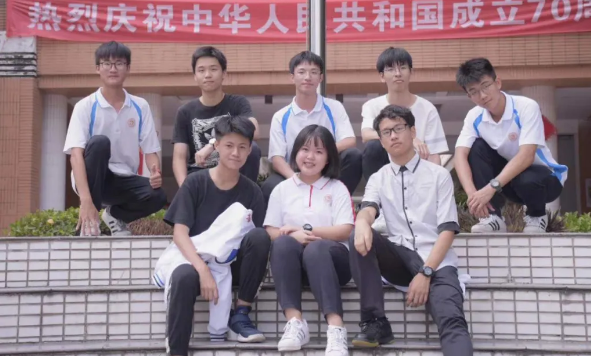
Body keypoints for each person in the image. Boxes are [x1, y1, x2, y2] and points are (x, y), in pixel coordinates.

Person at [349, 105, 472, 356]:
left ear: (413, 131)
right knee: (358, 235)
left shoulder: (438, 175)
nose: (393, 136)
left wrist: (426, 273)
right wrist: (361, 222)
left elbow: (447, 230)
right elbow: (369, 208)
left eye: (399, 128)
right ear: (381, 140)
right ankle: (375, 322)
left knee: (452, 322)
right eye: (386, 132)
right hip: (399, 258)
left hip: (436, 262)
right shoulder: (378, 178)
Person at [163, 116, 271, 356]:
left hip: (232, 263)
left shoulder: (252, 191)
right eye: (229, 145)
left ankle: (240, 315)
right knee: (183, 276)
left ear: (250, 150)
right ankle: (177, 349)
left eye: (242, 147)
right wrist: (203, 270)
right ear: (217, 145)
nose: (236, 153)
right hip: (196, 260)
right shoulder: (195, 183)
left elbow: (256, 243)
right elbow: (179, 233)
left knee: (260, 237)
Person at [264, 125, 354, 356]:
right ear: (296, 152)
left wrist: (308, 231)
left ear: (328, 158)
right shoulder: (282, 189)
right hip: (295, 267)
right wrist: (292, 235)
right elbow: (271, 229)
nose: (310, 156)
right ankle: (295, 323)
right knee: (282, 243)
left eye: (318, 151)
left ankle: (336, 329)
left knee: (315, 249)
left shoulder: (337, 188)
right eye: (305, 149)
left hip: (334, 265)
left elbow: (345, 229)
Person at [63, 41, 166, 236]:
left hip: (122, 180)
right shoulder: (85, 106)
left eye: (119, 63)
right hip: (91, 179)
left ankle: (116, 217)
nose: (113, 69)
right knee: (99, 143)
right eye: (106, 63)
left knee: (157, 195)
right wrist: (85, 200)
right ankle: (89, 225)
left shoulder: (140, 106)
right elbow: (76, 156)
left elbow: (150, 150)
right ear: (97, 68)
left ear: (128, 68)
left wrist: (155, 172)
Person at [454, 58, 567, 234]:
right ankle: (493, 218)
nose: (482, 95)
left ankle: (537, 216)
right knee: (476, 147)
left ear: (498, 82)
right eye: (474, 92)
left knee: (526, 178)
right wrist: (473, 195)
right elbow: (460, 155)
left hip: (545, 180)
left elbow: (527, 156)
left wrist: (490, 188)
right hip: (508, 183)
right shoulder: (474, 116)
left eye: (485, 86)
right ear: (469, 96)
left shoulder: (526, 107)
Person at [262, 51, 362, 204]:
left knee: (353, 156)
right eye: (301, 72)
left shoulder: (334, 107)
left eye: (313, 72)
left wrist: (320, 153)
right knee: (270, 186)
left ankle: (336, 204)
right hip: (295, 171)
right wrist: (295, 180)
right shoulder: (280, 116)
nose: (307, 77)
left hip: (326, 169)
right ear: (292, 77)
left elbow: (349, 140)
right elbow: (277, 158)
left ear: (320, 78)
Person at [172, 46, 261, 187]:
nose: (207, 75)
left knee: (253, 149)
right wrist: (184, 189)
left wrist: (212, 145)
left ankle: (245, 194)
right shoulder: (185, 111)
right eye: (201, 70)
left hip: (232, 170)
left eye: (213, 69)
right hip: (200, 174)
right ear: (195, 76)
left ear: (224, 73)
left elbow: (254, 131)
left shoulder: (237, 103)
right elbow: (179, 157)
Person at [361, 47, 448, 181]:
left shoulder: (427, 108)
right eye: (391, 69)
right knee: (373, 146)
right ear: (382, 76)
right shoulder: (372, 106)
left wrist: (432, 184)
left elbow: (434, 153)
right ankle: (375, 192)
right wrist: (411, 139)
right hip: (386, 170)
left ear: (411, 72)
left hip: (417, 173)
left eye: (402, 68)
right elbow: (366, 135)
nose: (397, 73)